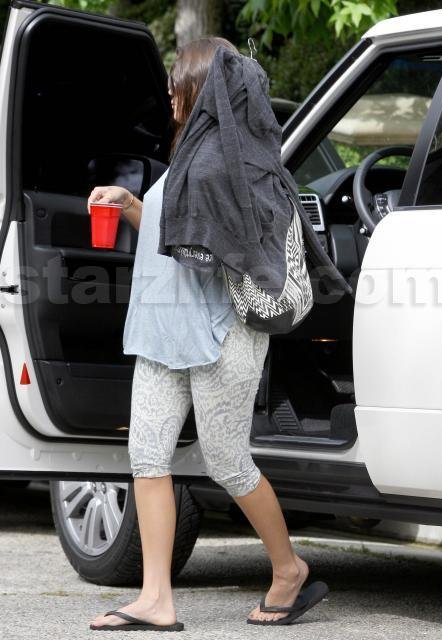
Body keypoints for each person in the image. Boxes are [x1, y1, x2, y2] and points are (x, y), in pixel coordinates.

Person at [88, 36, 327, 632]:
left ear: (201, 89)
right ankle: (155, 600)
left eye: (178, 85)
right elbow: (174, 234)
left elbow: (225, 247)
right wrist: (130, 202)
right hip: (160, 332)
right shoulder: (191, 154)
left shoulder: (233, 163)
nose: (169, 96)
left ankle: (289, 569)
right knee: (147, 458)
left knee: (227, 462)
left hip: (221, 334)